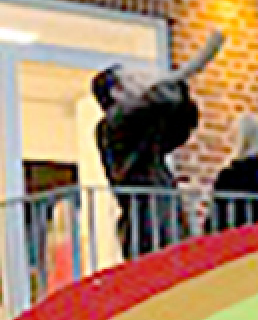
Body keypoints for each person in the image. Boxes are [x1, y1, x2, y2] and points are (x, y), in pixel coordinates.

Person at [92, 30, 226, 260]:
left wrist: (178, 93)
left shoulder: (142, 126)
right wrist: (168, 84)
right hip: (148, 221)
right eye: (132, 79)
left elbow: (180, 124)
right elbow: (156, 105)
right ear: (117, 93)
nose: (141, 82)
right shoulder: (114, 123)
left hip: (161, 214)